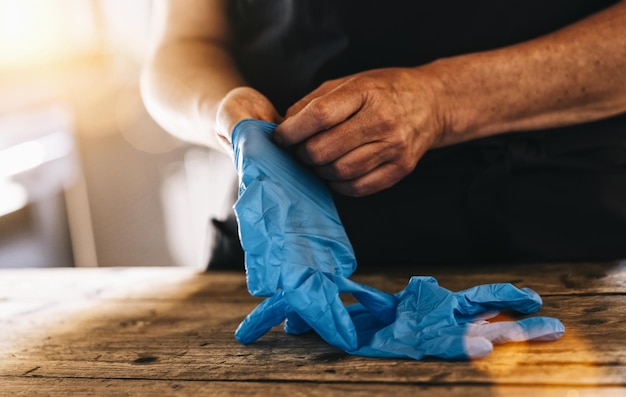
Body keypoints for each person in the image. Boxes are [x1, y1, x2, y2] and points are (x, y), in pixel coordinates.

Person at [141, 0, 626, 268]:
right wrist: (228, 119)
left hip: (558, 235)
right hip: (286, 241)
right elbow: (183, 42)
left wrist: (442, 100)